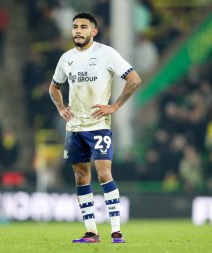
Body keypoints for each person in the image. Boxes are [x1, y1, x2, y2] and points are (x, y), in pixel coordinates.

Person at [49, 12, 141, 243]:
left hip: (99, 125)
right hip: (75, 128)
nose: (78, 31)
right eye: (75, 27)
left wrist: (115, 106)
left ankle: (116, 230)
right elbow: (54, 88)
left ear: (94, 31)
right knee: (81, 178)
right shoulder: (66, 58)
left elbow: (134, 79)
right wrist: (61, 108)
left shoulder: (106, 53)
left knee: (103, 174)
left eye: (83, 27)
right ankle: (91, 231)